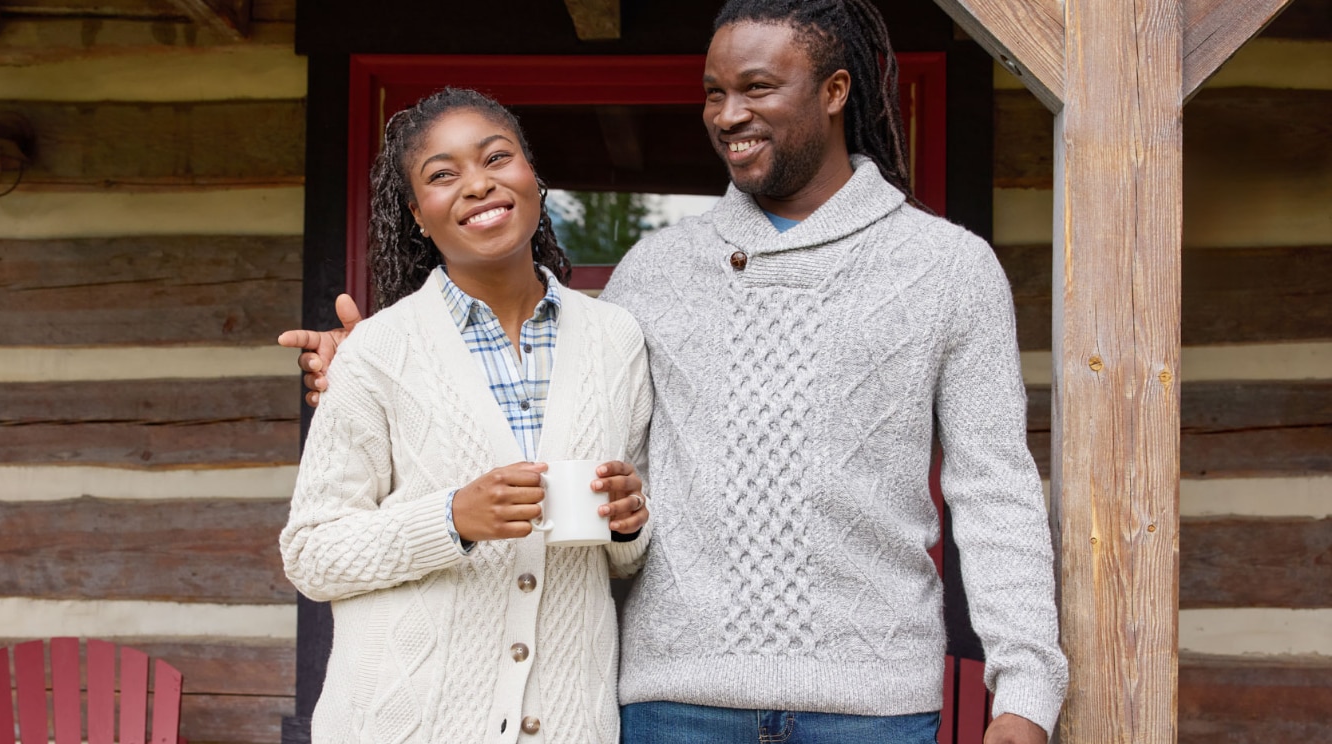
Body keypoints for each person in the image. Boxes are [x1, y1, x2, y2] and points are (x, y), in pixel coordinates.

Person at [285, 1, 1069, 742]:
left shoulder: (949, 269)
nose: (729, 114)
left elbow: (994, 490)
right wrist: (368, 362)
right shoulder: (652, 275)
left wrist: (1025, 693)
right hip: (672, 702)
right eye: (714, 93)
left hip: (873, 706)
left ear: (835, 92)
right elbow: (540, 392)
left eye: (757, 87)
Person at [279, 87, 654, 744]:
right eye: (442, 175)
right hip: (403, 726)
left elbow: (627, 558)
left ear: (533, 178)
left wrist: (630, 523)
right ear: (418, 214)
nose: (477, 185)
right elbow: (311, 554)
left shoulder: (616, 339)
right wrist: (450, 519)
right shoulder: (375, 352)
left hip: (568, 726)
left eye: (496, 159)